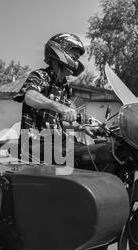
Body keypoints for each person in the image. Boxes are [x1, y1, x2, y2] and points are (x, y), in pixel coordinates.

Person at [13, 33, 86, 161]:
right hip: (35, 143)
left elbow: (61, 121)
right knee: (76, 157)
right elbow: (29, 96)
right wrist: (59, 107)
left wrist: (83, 127)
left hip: (57, 142)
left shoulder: (65, 86)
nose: (75, 64)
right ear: (60, 54)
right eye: (73, 58)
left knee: (93, 153)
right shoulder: (40, 75)